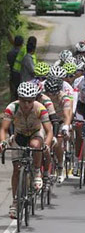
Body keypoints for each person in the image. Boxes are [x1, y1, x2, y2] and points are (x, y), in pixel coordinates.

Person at [0, 82, 53, 219]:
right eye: (23, 100)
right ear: (19, 98)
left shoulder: (40, 108)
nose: (26, 104)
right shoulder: (12, 108)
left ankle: (36, 172)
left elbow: (49, 130)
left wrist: (46, 144)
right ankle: (15, 202)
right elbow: (4, 129)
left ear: (34, 99)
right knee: (17, 169)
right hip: (20, 135)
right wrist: (3, 142)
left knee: (36, 145)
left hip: (36, 133)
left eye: (30, 101)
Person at [7, 35, 24, 101]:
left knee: (13, 94)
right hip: (22, 75)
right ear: (22, 43)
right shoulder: (23, 53)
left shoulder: (9, 53)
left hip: (13, 75)